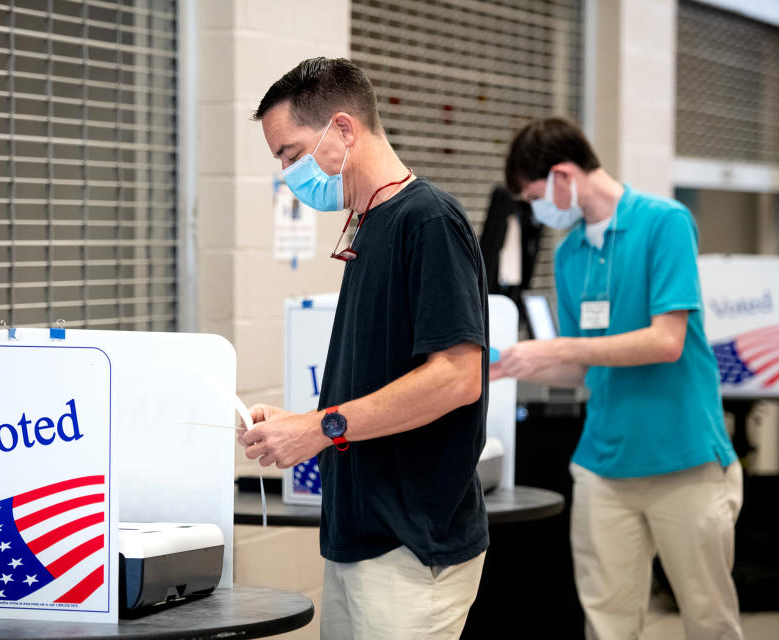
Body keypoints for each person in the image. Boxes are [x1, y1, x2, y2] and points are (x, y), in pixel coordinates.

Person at [238, 57, 490, 639]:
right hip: (359, 536)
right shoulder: (368, 222)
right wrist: (301, 423)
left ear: (344, 130)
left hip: (410, 542)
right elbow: (379, 380)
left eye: (291, 154)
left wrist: (319, 429)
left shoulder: (428, 220)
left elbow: (457, 377)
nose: (286, 173)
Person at [495, 117, 743, 640]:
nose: (538, 211)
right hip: (604, 468)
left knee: (708, 621)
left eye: (536, 196)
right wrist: (524, 362)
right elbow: (585, 368)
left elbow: (665, 341)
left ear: (563, 175)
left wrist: (562, 346)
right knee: (607, 625)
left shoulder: (665, 223)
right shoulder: (569, 255)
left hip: (685, 460)